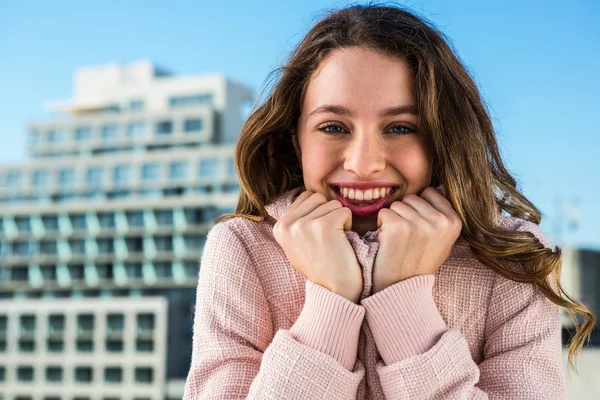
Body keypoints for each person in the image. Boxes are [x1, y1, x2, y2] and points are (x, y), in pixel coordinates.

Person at [183, 4, 595, 399]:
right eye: (332, 127)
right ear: (296, 140)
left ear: (440, 137)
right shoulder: (243, 249)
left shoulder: (512, 258)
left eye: (399, 127)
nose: (364, 164)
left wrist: (405, 304)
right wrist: (330, 302)